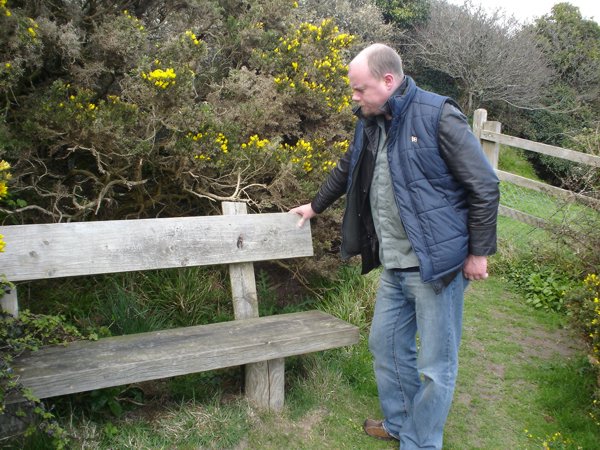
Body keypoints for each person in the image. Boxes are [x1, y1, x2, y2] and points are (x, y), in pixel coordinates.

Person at [290, 43, 499, 449]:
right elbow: (348, 165)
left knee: (437, 366)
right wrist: (315, 206)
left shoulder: (437, 114)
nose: (354, 97)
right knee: (384, 346)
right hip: (394, 263)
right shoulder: (369, 121)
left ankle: (420, 442)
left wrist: (478, 252)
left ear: (388, 81)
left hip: (437, 266)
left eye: (359, 89)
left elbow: (485, 185)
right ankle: (401, 424)